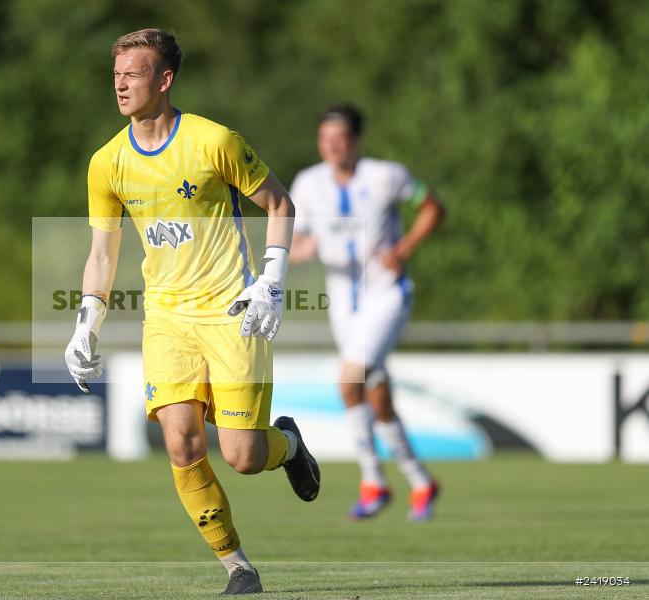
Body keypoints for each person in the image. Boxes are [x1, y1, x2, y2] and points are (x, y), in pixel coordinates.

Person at [64, 29, 320, 595]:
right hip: (167, 318)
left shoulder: (214, 141)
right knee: (181, 443)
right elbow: (102, 253)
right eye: (116, 74)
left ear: (164, 80)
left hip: (233, 310)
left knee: (244, 457)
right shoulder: (106, 163)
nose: (120, 84)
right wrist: (86, 324)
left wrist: (271, 283)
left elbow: (280, 203)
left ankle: (290, 445)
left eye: (133, 73)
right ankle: (238, 568)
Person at [289, 104, 445, 521]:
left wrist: (404, 249)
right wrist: (272, 262)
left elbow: (432, 206)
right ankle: (421, 480)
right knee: (376, 395)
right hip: (343, 303)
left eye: (340, 139)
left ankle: (373, 480)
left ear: (355, 141)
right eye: (325, 139)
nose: (332, 147)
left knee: (348, 380)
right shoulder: (308, 183)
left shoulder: (385, 176)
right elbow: (305, 243)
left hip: (386, 296)